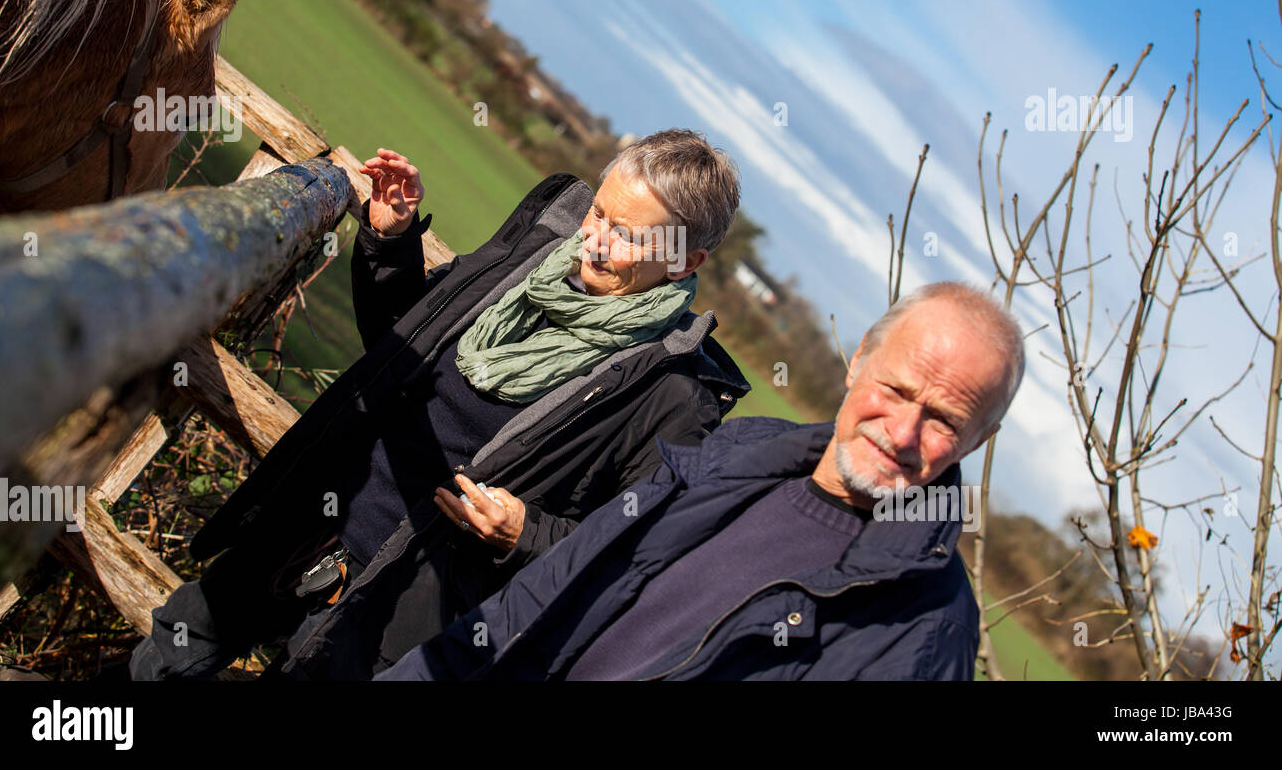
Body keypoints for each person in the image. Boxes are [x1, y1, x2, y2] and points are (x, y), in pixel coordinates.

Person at [131, 129, 749, 680]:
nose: (593, 241)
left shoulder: (672, 392)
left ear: (684, 261)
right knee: (164, 656)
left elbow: (635, 551)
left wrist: (526, 534)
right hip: (310, 525)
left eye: (627, 235)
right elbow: (402, 338)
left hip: (387, 619)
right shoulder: (531, 258)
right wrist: (390, 242)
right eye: (598, 212)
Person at [376, 282, 1025, 681]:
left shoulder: (927, 630)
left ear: (981, 440)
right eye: (897, 389)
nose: (903, 432)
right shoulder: (730, 456)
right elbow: (534, 599)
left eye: (943, 418)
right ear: (858, 360)